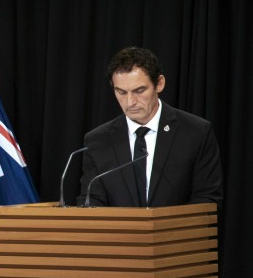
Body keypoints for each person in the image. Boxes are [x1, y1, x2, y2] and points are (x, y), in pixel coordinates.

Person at [77, 46, 223, 207]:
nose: (130, 102)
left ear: (159, 84)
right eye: (121, 92)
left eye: (139, 91)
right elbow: (90, 202)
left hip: (175, 232)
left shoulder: (196, 132)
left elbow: (207, 199)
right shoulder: (98, 140)